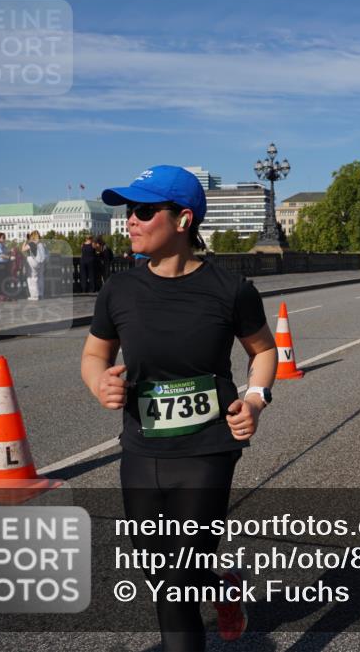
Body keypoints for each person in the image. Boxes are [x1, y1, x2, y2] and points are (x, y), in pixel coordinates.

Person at [81, 165, 278, 650]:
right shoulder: (119, 290)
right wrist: (97, 383)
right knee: (155, 564)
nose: (131, 220)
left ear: (183, 220)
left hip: (209, 446)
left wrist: (255, 398)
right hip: (142, 446)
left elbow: (264, 351)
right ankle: (222, 587)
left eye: (145, 211)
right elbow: (93, 355)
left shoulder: (230, 290)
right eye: (129, 210)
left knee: (177, 582)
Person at [22, 231, 49, 301]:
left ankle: (34, 295)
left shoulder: (32, 243)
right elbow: (47, 253)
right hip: (42, 262)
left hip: (33, 262)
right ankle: (41, 294)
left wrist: (26, 241)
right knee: (40, 278)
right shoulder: (42, 243)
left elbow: (23, 249)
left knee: (32, 278)